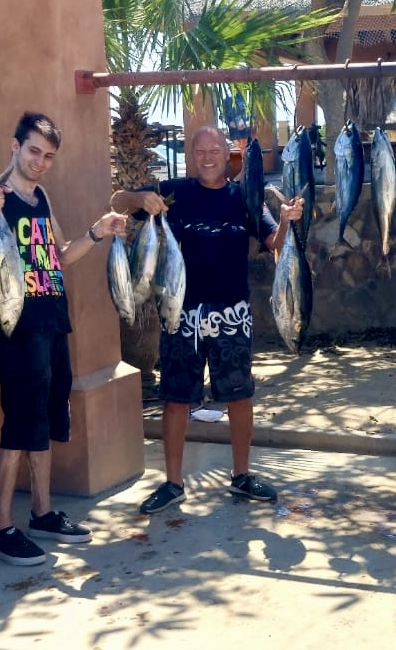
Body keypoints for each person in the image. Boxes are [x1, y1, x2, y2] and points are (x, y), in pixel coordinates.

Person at [111, 125, 303, 514]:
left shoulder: (245, 197)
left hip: (233, 313)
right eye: (199, 151)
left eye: (214, 150)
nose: (207, 157)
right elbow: (117, 200)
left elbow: (274, 244)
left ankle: (242, 475)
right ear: (191, 155)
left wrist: (285, 219)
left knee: (239, 395)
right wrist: (141, 197)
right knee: (176, 399)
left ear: (228, 153)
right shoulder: (175, 192)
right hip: (181, 312)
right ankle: (173, 483)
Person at [0, 111, 126, 566]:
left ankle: (41, 512)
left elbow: (57, 255)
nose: (40, 162)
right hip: (16, 326)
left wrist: (97, 233)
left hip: (50, 321)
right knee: (20, 421)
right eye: (33, 151)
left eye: (48, 156)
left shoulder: (39, 196)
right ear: (15, 148)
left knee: (41, 417)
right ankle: (2, 527)